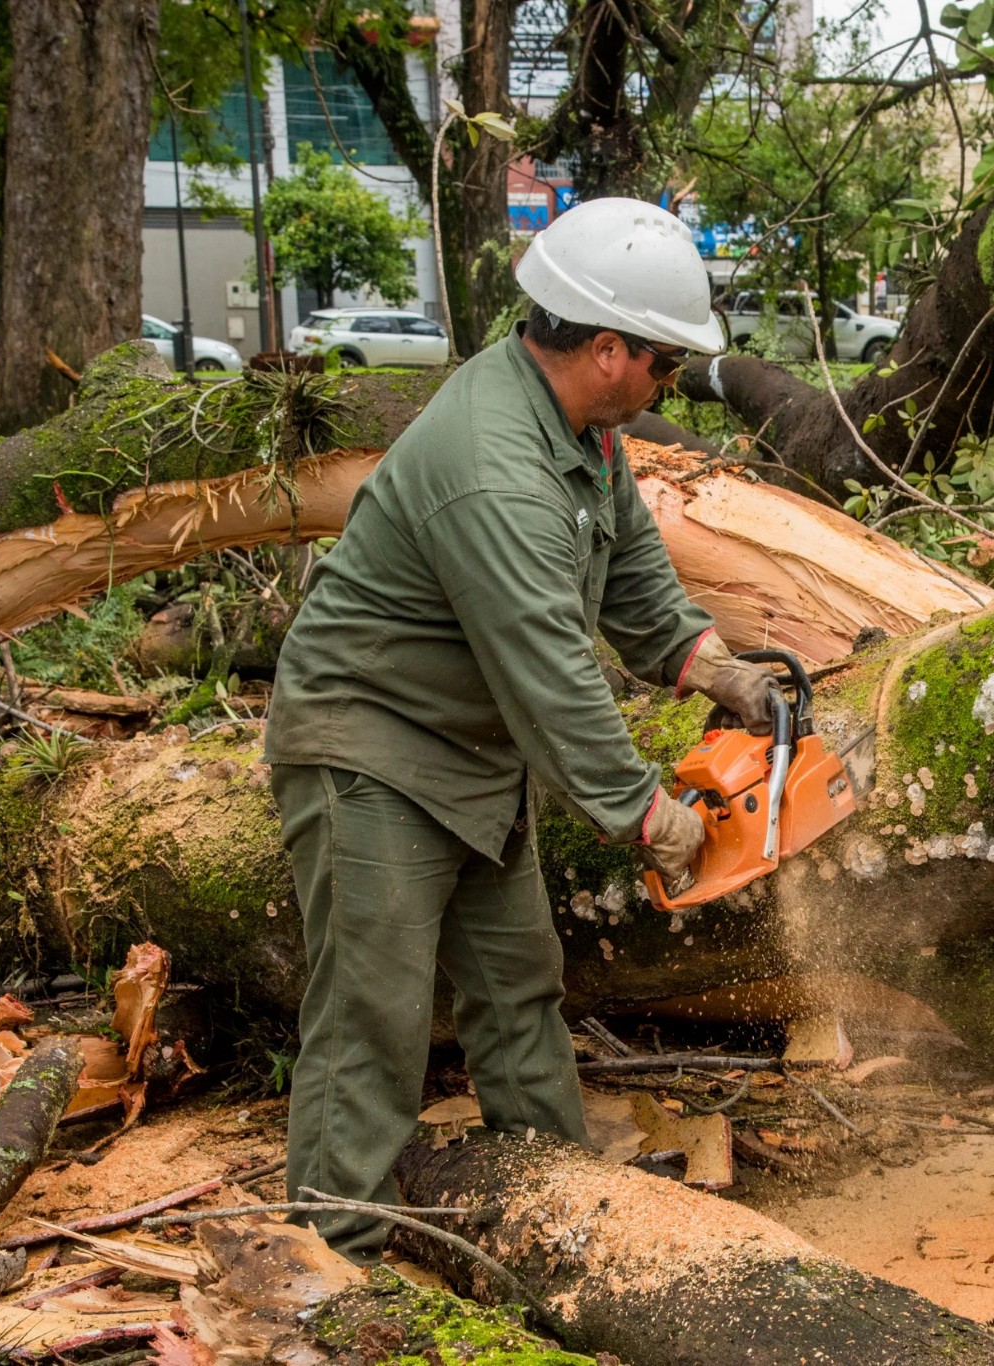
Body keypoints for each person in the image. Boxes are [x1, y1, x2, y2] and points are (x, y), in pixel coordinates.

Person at [262, 197, 778, 1261]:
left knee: (516, 990)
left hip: (471, 750)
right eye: (665, 363)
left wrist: (713, 666)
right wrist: (648, 814)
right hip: (372, 747)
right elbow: (549, 672)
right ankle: (331, 1267)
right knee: (373, 1017)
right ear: (606, 350)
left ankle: (555, 1216)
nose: (668, 383)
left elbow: (631, 572)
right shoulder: (493, 465)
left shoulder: (582, 432)